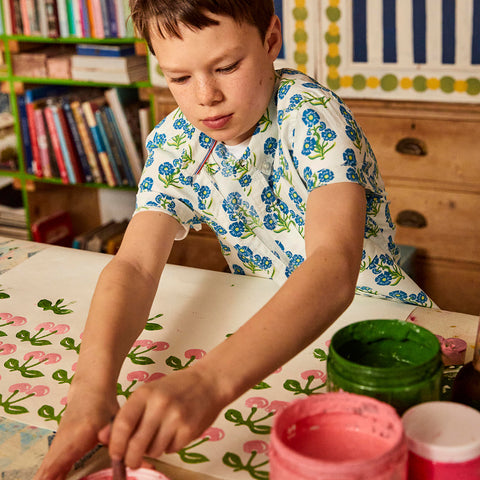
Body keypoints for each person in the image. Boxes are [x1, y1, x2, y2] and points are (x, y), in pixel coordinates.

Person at [34, 1, 433, 478]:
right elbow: (135, 266)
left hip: (375, 333)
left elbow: (332, 268)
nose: (206, 97)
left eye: (226, 66)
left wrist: (206, 382)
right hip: (266, 338)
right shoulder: (177, 141)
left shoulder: (311, 115)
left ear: (269, 40)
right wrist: (88, 392)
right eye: (178, 78)